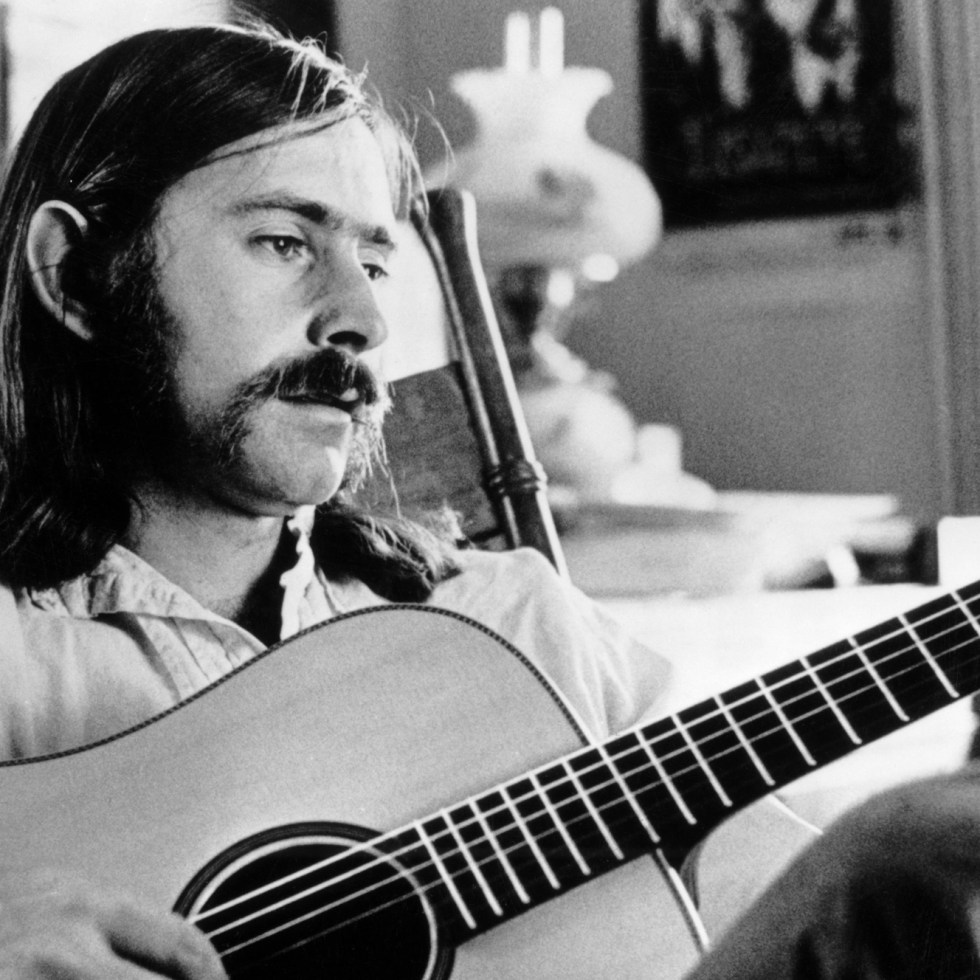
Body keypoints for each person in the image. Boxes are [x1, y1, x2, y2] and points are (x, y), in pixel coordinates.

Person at [0, 21, 815, 977]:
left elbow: (826, 906)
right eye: (283, 242)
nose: (363, 319)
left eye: (377, 263)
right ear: (75, 276)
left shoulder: (512, 628)